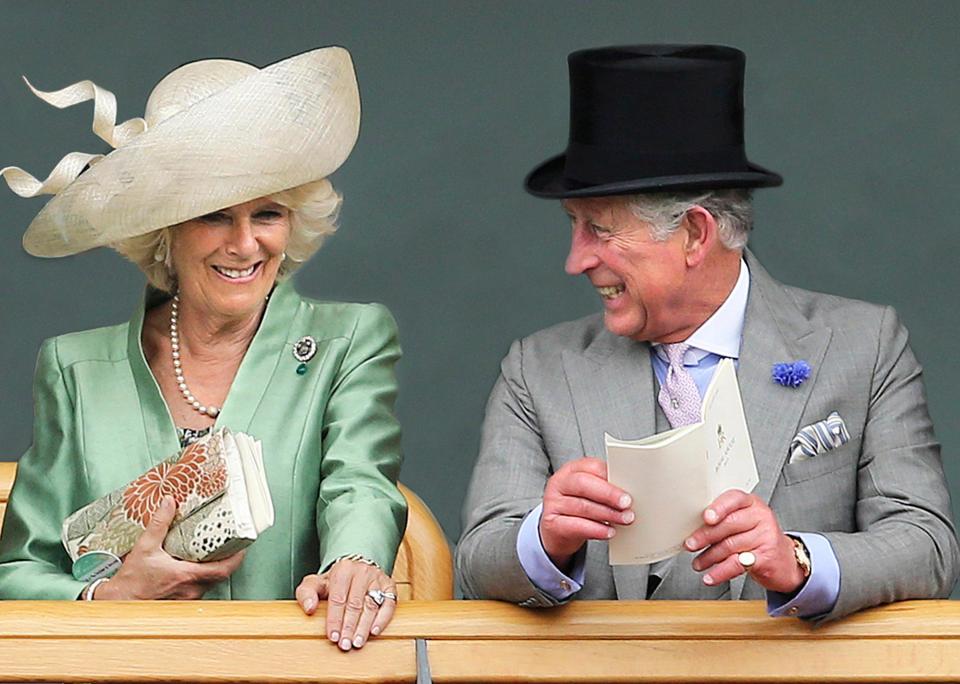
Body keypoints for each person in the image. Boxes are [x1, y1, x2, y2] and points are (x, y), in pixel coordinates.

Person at [457, 44, 959, 622]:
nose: (576, 260)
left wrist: (797, 560)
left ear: (696, 234)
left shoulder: (865, 347)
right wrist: (544, 539)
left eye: (599, 229)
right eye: (574, 225)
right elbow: (476, 561)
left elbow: (928, 547)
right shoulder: (537, 369)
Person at [0, 47, 406, 651]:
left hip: (291, 672)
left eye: (267, 213)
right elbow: (17, 575)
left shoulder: (348, 343)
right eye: (214, 216)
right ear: (163, 230)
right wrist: (107, 597)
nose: (245, 244)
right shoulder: (75, 370)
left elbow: (360, 484)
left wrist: (356, 559)